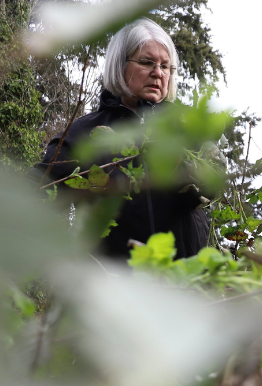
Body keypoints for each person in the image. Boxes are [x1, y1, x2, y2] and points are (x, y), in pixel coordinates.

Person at [34, 18, 214, 259]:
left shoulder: (185, 129)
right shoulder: (85, 133)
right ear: (120, 65)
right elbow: (37, 188)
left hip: (185, 282)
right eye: (147, 62)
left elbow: (213, 184)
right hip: (113, 284)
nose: (157, 73)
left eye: (165, 66)